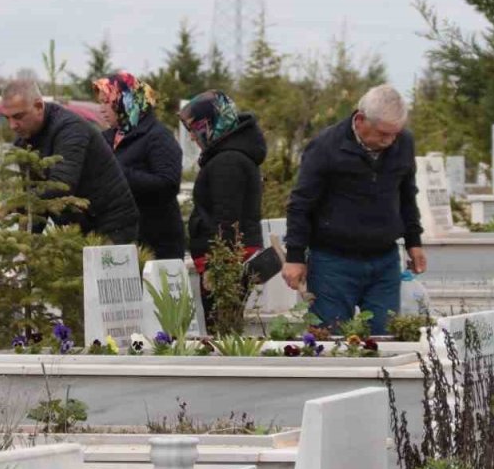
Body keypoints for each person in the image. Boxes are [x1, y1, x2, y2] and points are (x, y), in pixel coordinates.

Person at [282, 84, 426, 336]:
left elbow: (407, 194)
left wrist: (414, 241)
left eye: (395, 134)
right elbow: (300, 203)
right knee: (330, 338)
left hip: (384, 260)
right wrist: (295, 256)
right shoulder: (325, 147)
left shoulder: (403, 143)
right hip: (333, 262)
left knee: (386, 337)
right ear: (360, 120)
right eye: (383, 134)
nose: (390, 141)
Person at [0, 78, 139, 243]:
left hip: (112, 224)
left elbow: (62, 186)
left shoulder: (70, 130)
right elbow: (36, 202)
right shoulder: (24, 143)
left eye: (18, 116)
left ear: (39, 106)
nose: (12, 125)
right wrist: (25, 249)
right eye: (7, 118)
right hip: (75, 228)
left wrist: (6, 207)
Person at [181, 91, 266, 325]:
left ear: (210, 124)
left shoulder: (227, 161)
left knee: (222, 327)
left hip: (225, 262)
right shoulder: (230, 156)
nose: (192, 137)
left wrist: (217, 268)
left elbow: (227, 218)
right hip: (228, 257)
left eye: (194, 128)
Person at [92, 71, 185, 259]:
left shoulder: (157, 137)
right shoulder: (107, 139)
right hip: (118, 242)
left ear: (125, 100)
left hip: (155, 246)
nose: (101, 109)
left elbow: (167, 184)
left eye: (106, 102)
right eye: (100, 102)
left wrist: (117, 174)